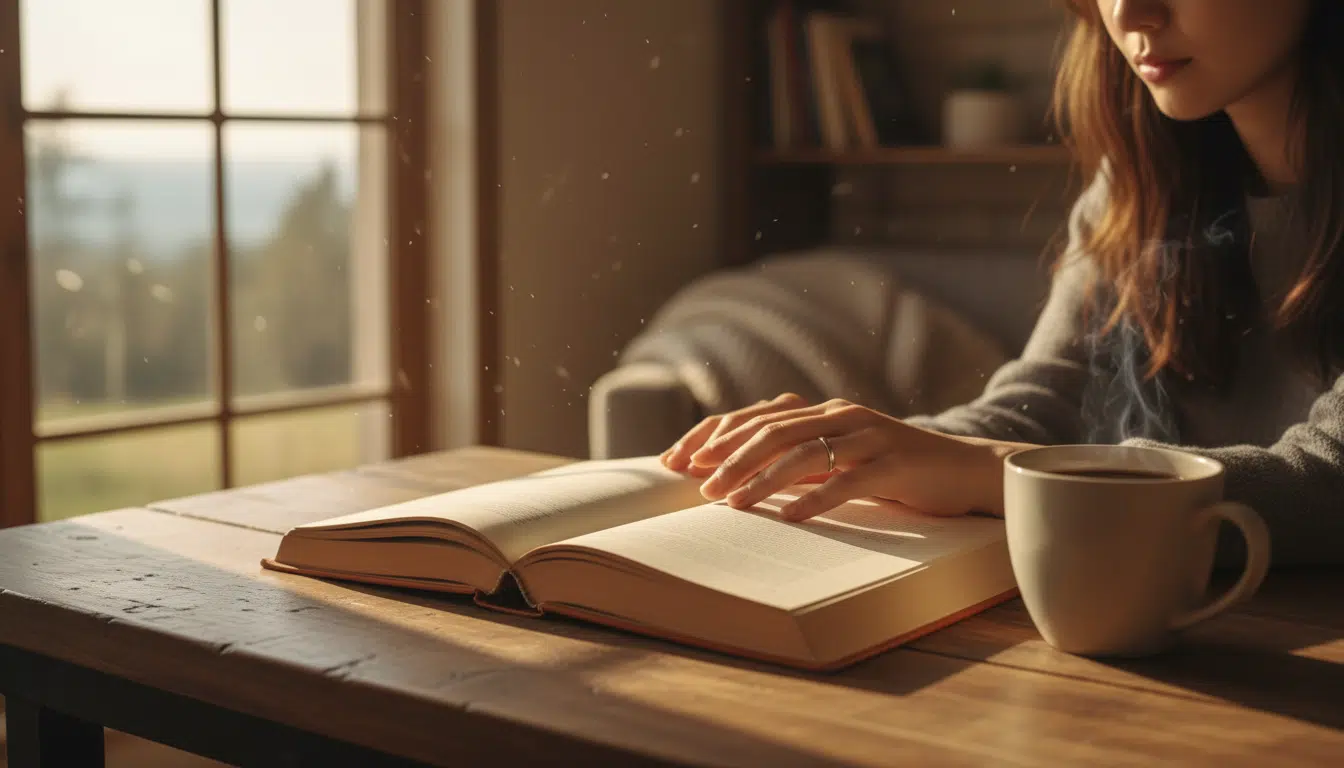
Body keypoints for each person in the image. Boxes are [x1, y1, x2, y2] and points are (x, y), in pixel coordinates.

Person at [660, 0, 1344, 565]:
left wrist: (994, 470)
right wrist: (864, 452)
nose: (1131, 13)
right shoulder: (1142, 184)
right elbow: (1045, 404)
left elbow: (1328, 484)